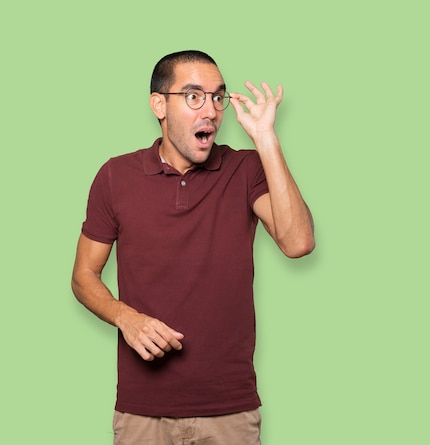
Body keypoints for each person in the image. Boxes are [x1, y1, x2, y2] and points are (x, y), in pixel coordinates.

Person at [71, 50, 315, 445]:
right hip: (142, 410)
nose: (211, 111)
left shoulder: (246, 169)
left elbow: (298, 242)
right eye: (194, 96)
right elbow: (83, 276)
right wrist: (126, 318)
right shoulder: (115, 175)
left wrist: (266, 139)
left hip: (230, 410)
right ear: (158, 105)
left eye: (218, 97)